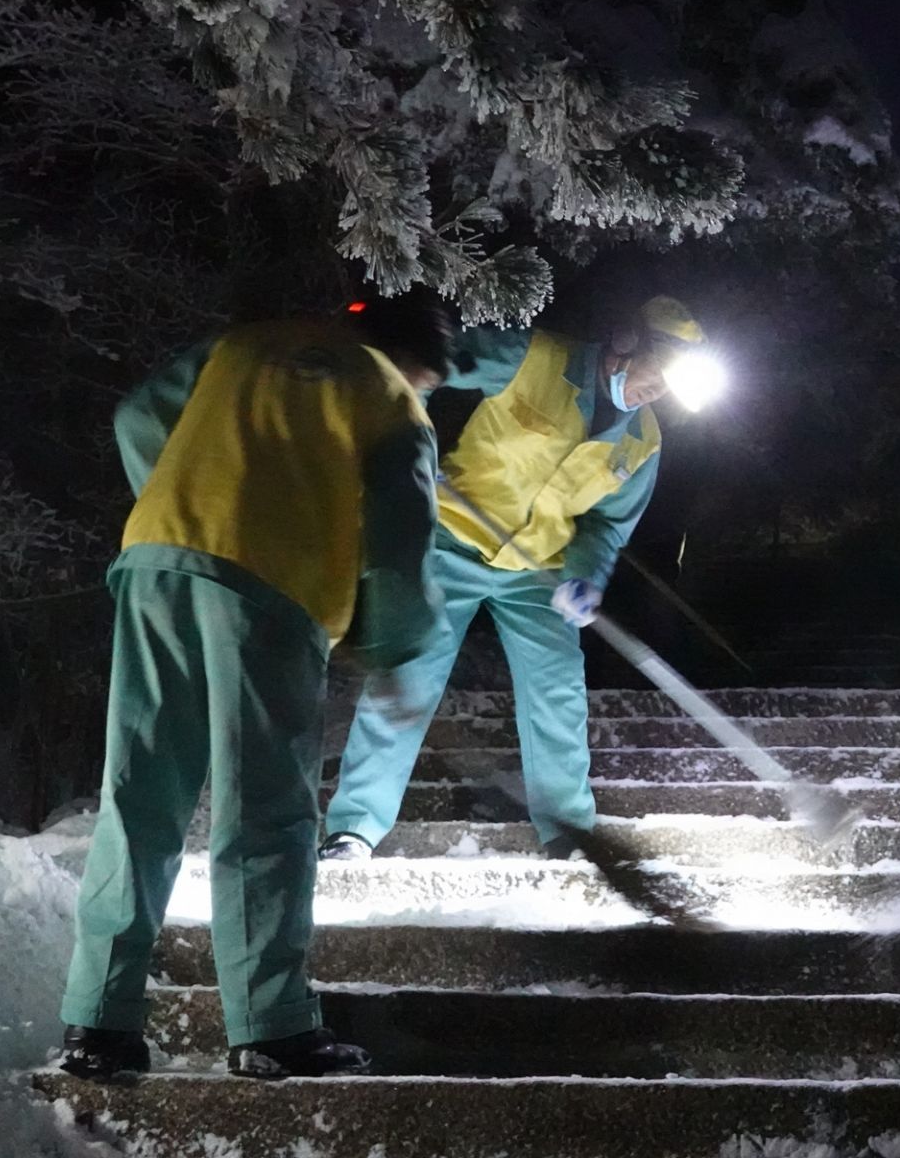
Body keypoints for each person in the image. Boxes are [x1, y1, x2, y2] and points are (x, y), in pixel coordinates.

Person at [58, 294, 451, 1082]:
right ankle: (270, 1027)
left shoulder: (243, 343)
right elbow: (402, 540)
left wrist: (186, 501)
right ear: (415, 363)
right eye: (430, 380)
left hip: (158, 560)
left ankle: (98, 1024)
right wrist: (389, 645)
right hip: (274, 583)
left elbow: (139, 418)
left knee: (139, 791)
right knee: (264, 807)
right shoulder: (388, 397)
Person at [320, 296, 709, 861]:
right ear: (626, 345)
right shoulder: (537, 359)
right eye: (660, 371)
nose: (660, 389)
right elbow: (433, 362)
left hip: (539, 569)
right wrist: (399, 425)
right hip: (453, 537)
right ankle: (355, 827)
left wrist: (587, 578)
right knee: (409, 670)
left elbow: (604, 525)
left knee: (557, 691)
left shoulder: (642, 443)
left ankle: (568, 834)